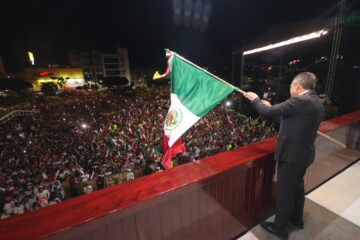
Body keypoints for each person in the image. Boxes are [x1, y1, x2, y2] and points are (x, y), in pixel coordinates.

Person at [243, 72, 324, 240]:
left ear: (298, 86)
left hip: (292, 155)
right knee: (297, 188)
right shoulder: (315, 101)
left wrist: (255, 99)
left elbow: (267, 113)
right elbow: (289, 119)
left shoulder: (300, 101)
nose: (290, 89)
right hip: (304, 154)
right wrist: (269, 107)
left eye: (291, 86)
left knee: (285, 192)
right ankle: (297, 219)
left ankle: (279, 227)